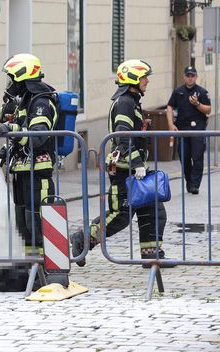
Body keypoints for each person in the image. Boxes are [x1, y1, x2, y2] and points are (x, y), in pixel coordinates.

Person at [70, 59, 174, 268]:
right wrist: (137, 164)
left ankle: (152, 255)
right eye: (144, 76)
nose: (147, 81)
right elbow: (122, 135)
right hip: (125, 170)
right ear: (133, 78)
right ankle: (83, 238)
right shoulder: (125, 102)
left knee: (153, 210)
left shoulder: (132, 100)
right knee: (120, 216)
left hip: (134, 170)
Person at [0, 53, 59, 260]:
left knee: (37, 223)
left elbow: (37, 136)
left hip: (37, 173)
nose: (10, 82)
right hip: (22, 172)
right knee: (24, 225)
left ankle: (49, 268)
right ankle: (32, 269)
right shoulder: (24, 100)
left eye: (12, 77)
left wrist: (8, 129)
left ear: (22, 76)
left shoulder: (41, 102)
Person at [166, 66, 211, 195]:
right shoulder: (178, 91)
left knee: (197, 157)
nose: (190, 78)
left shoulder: (202, 92)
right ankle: (189, 181)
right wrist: (170, 124)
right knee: (184, 156)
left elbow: (208, 110)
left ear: (196, 77)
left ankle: (195, 185)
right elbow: (170, 107)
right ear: (184, 77)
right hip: (182, 128)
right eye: (188, 75)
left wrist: (197, 104)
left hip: (197, 129)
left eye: (192, 76)